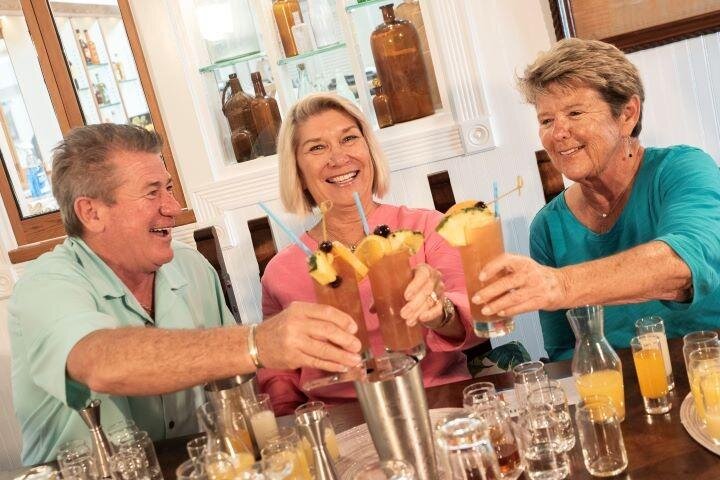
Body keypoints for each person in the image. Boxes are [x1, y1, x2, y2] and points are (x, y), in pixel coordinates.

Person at [8, 124, 361, 465]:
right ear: (92, 212)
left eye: (169, 188)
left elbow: (236, 391)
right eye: (152, 192)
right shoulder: (45, 285)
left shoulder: (191, 266)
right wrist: (258, 342)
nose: (173, 206)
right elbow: (99, 364)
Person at [470, 38, 720, 360]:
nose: (558, 132)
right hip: (614, 384)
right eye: (546, 120)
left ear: (627, 114)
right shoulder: (548, 226)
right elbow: (564, 353)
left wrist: (559, 285)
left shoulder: (683, 169)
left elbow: (684, 266)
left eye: (575, 113)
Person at [258, 93, 484, 415]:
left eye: (349, 138)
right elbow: (278, 378)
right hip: (341, 419)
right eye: (317, 147)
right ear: (297, 171)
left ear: (369, 150)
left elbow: (476, 324)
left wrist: (440, 312)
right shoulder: (280, 272)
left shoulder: (424, 229)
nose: (338, 158)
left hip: (436, 402)